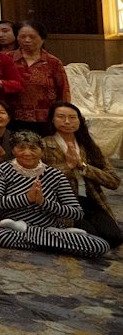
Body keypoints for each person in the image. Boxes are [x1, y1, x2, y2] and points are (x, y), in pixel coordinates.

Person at [0, 130, 109, 258]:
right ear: (13, 150)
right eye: (21, 148)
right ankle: (57, 244)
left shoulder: (55, 175)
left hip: (46, 228)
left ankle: (35, 235)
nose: (27, 153)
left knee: (100, 245)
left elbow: (76, 212)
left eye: (33, 148)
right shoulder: (2, 169)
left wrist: (44, 202)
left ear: (42, 150)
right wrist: (26, 198)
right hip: (11, 228)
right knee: (0, 236)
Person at [40, 101, 122, 247]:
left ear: (80, 121)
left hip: (90, 199)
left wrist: (82, 166)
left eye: (72, 117)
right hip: (62, 203)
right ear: (52, 119)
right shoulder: (43, 144)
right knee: (92, 239)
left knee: (114, 238)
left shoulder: (88, 145)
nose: (67, 122)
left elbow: (114, 181)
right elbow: (40, 176)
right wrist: (67, 168)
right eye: (61, 117)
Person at [12, 21, 69, 130]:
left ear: (42, 38)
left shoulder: (53, 62)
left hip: (45, 119)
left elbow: (63, 90)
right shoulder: (7, 59)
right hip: (13, 117)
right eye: (23, 37)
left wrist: (63, 114)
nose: (27, 40)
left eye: (32, 37)